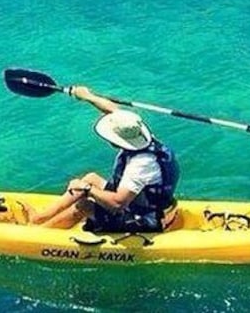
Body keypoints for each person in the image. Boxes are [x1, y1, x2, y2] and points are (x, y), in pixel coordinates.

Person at [21, 85, 180, 232]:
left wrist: (88, 190)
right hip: (144, 203)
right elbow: (113, 111)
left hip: (147, 219)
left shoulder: (140, 165)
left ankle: (39, 234)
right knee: (91, 178)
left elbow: (118, 204)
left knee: (84, 205)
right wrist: (88, 96)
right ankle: (38, 219)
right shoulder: (140, 133)